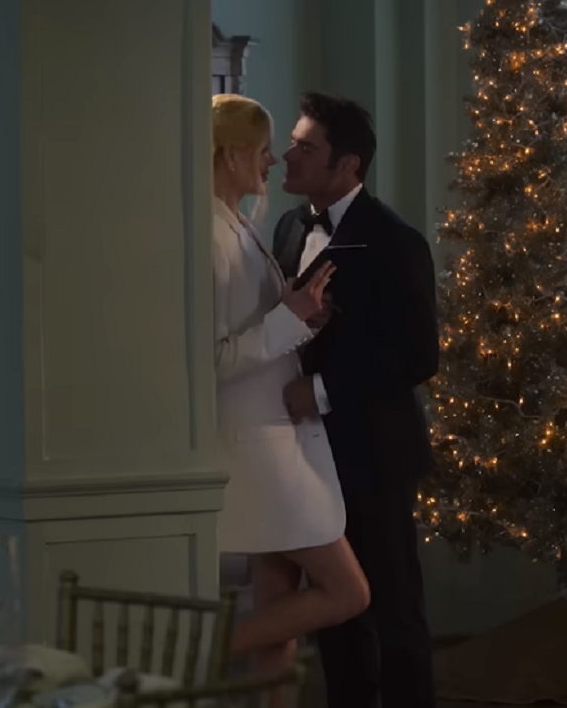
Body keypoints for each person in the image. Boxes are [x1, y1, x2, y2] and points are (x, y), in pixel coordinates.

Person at [273, 91, 440, 708]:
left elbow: (419, 355)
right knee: (335, 614)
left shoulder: (396, 240)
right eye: (292, 142)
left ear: (346, 164)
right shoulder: (288, 227)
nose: (287, 155)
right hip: (309, 454)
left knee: (394, 610)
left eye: (305, 147)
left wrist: (320, 391)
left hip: (376, 454)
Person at [209, 93, 371, 681]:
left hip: (279, 441)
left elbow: (263, 328)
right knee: (347, 591)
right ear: (231, 155)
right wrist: (289, 319)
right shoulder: (209, 236)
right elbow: (209, 360)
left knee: (278, 614)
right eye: (263, 148)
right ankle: (191, 652)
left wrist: (302, 319)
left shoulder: (240, 225)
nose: (274, 160)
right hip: (258, 452)